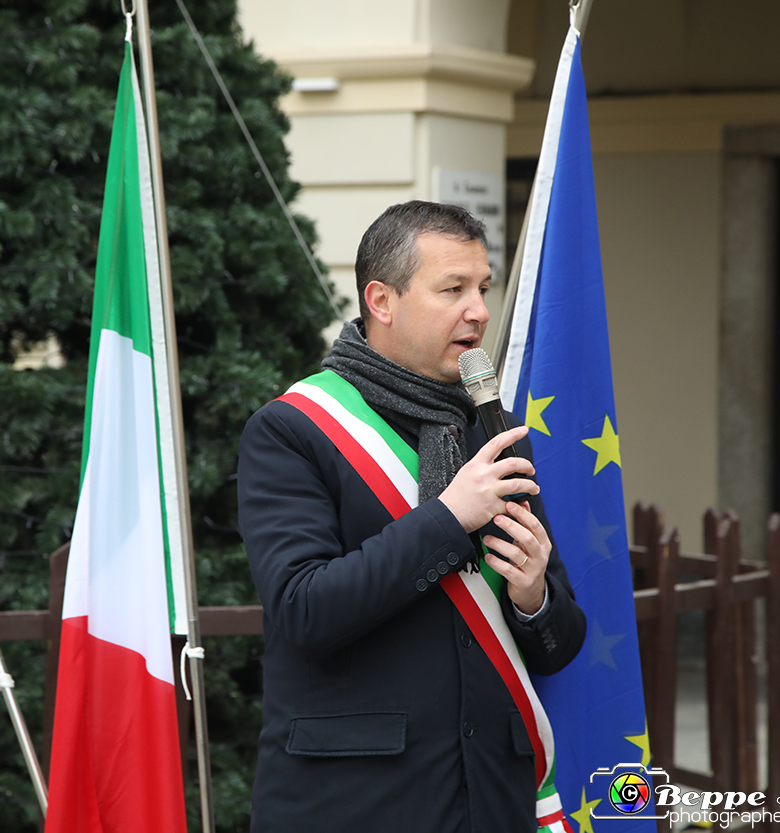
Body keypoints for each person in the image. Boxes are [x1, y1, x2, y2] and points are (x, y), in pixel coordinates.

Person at [237, 200, 587, 833]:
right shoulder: (294, 430)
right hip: (356, 803)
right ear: (382, 300)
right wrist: (450, 519)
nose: (478, 310)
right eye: (452, 288)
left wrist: (534, 596)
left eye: (482, 288)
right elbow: (305, 610)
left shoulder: (495, 432)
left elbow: (559, 645)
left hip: (493, 798)